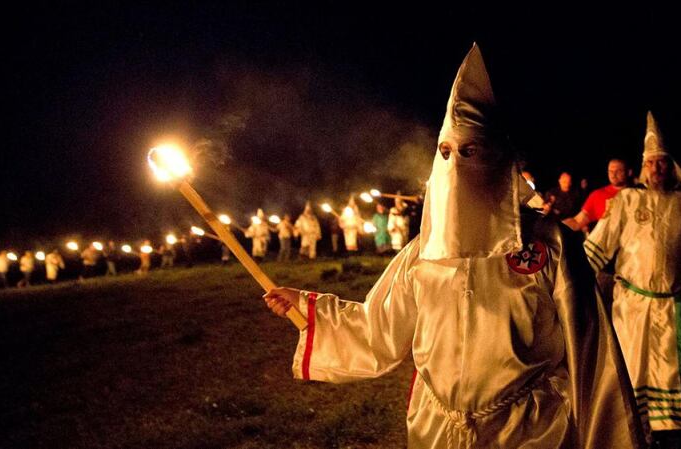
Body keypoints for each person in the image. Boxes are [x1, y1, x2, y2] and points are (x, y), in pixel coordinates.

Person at [265, 43, 644, 449]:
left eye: (470, 151)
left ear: (497, 158)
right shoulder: (424, 251)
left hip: (528, 432)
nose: (457, 165)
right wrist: (307, 308)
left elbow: (592, 354)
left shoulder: (549, 245)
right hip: (438, 430)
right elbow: (379, 327)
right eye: (446, 153)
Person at [584, 111, 681, 446]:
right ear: (643, 168)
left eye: (661, 162)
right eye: (650, 163)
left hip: (676, 304)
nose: (656, 169)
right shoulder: (627, 200)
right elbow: (600, 244)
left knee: (675, 370)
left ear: (671, 165)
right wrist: (575, 274)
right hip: (633, 307)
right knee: (632, 367)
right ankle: (636, 428)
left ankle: (676, 430)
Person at [563, 158, 633, 234]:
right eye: (610, 171)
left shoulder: (638, 194)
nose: (613, 175)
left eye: (618, 171)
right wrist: (557, 226)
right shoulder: (597, 195)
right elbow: (577, 221)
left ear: (629, 172)